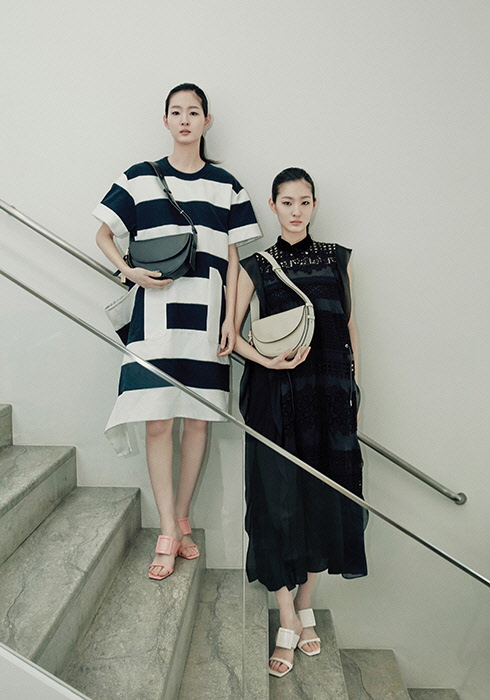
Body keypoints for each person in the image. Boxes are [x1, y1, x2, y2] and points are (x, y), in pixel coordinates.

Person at [94, 83, 262, 580]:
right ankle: (167, 527)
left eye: (193, 112)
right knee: (157, 421)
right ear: (165, 120)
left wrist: (231, 320)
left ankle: (182, 517)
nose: (185, 119)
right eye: (176, 111)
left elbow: (235, 259)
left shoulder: (227, 185)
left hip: (205, 318)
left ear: (207, 121)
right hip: (155, 317)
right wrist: (129, 270)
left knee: (198, 421)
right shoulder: (140, 177)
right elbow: (102, 232)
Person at [234, 167, 367, 677]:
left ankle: (305, 604)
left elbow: (349, 326)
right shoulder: (256, 265)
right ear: (273, 206)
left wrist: (354, 390)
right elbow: (230, 336)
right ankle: (287, 614)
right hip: (277, 399)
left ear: (314, 205)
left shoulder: (337, 258)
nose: (296, 211)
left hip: (330, 397)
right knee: (279, 503)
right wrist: (268, 362)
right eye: (287, 202)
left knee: (324, 498)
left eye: (304, 201)